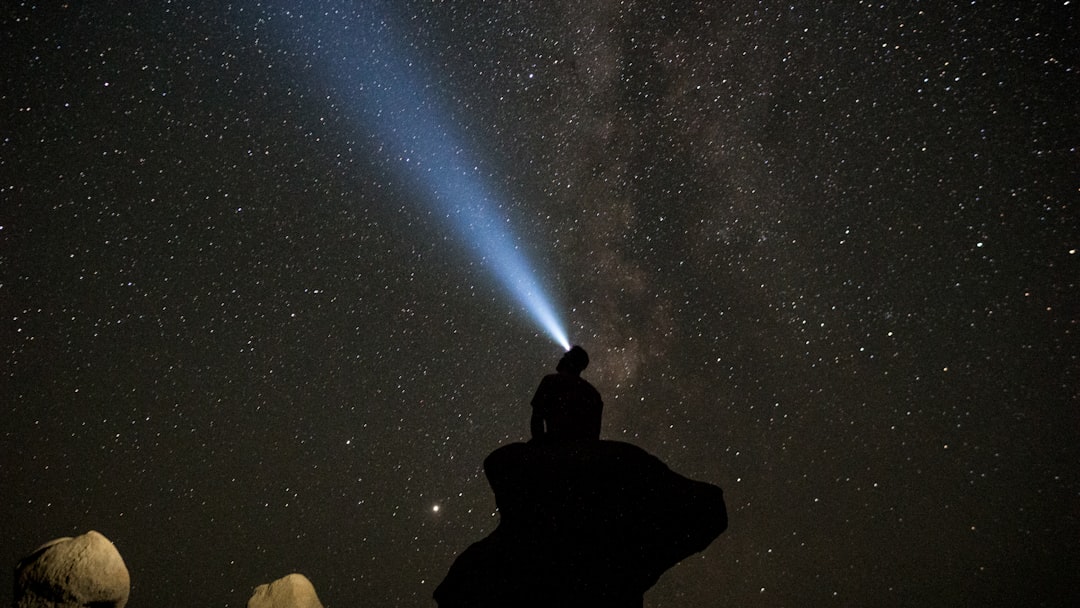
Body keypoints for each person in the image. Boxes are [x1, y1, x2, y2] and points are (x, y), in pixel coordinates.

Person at [530, 345, 603, 441]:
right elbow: (594, 432)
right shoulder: (593, 394)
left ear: (570, 362)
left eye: (565, 356)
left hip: (554, 445)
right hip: (580, 449)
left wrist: (540, 446)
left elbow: (537, 417)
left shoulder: (550, 381)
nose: (560, 359)